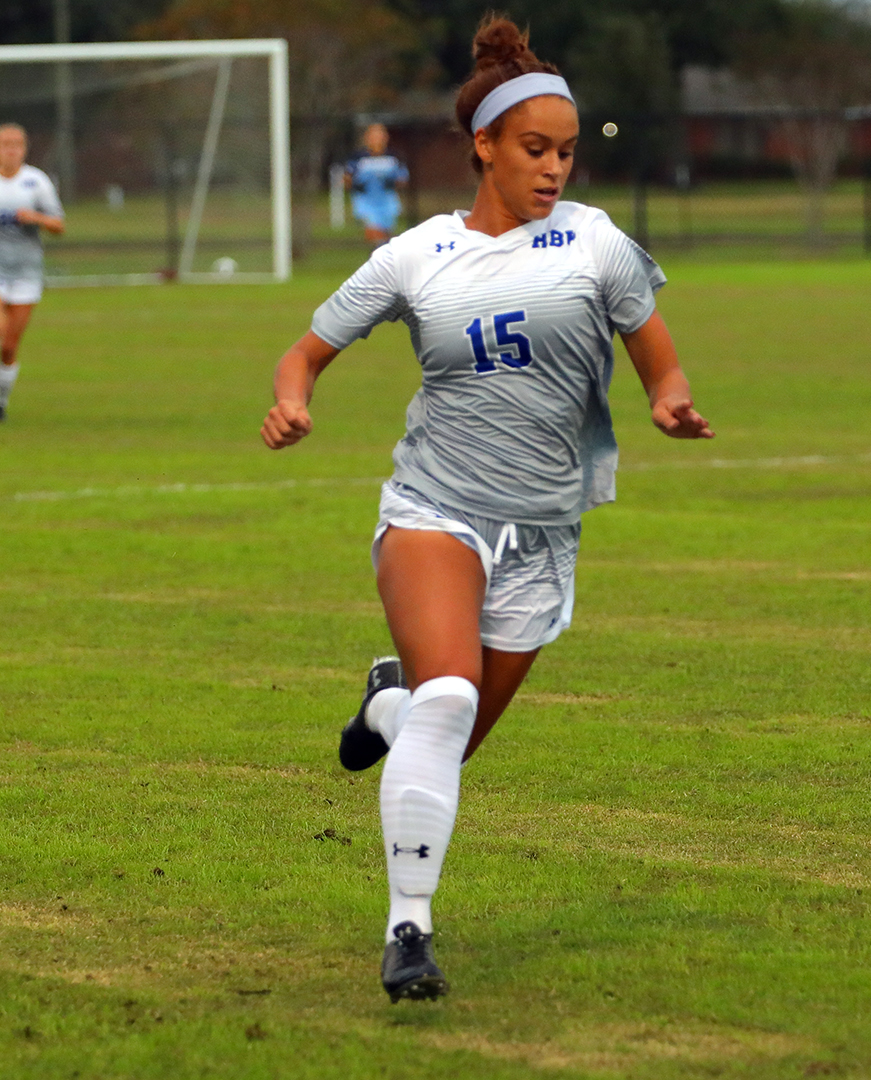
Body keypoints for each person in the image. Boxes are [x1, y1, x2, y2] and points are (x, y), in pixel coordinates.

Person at [259, 16, 714, 1004]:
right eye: (535, 149)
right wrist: (294, 398)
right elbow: (306, 350)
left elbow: (654, 347)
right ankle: (408, 932)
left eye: (565, 151)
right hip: (434, 508)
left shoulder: (596, 242)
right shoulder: (416, 257)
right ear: (486, 147)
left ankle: (387, 702)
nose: (554, 168)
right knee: (453, 700)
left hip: (544, 529)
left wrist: (668, 397)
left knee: (442, 735)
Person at [0, 124, 65, 422]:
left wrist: (36, 218)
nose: (11, 149)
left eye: (17, 144)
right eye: (5, 144)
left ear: (25, 148)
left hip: (26, 270)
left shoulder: (36, 182)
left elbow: (59, 225)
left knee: (9, 347)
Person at [347, 123, 410, 245]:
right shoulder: (358, 158)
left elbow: (403, 178)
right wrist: (358, 184)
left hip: (387, 201)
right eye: (373, 135)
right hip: (366, 202)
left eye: (379, 135)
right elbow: (347, 178)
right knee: (375, 234)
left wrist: (391, 182)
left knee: (387, 239)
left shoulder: (393, 157)